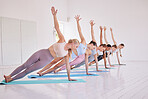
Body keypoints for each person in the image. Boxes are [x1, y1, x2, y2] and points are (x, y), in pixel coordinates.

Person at [4, 6, 79, 82]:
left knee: (28, 71)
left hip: (46, 60)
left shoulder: (66, 54)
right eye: (76, 46)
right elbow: (57, 27)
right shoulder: (62, 40)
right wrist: (54, 16)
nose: (76, 48)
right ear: (72, 43)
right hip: (42, 52)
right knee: (25, 65)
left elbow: (67, 66)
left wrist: (69, 77)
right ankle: (9, 76)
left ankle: (11, 79)